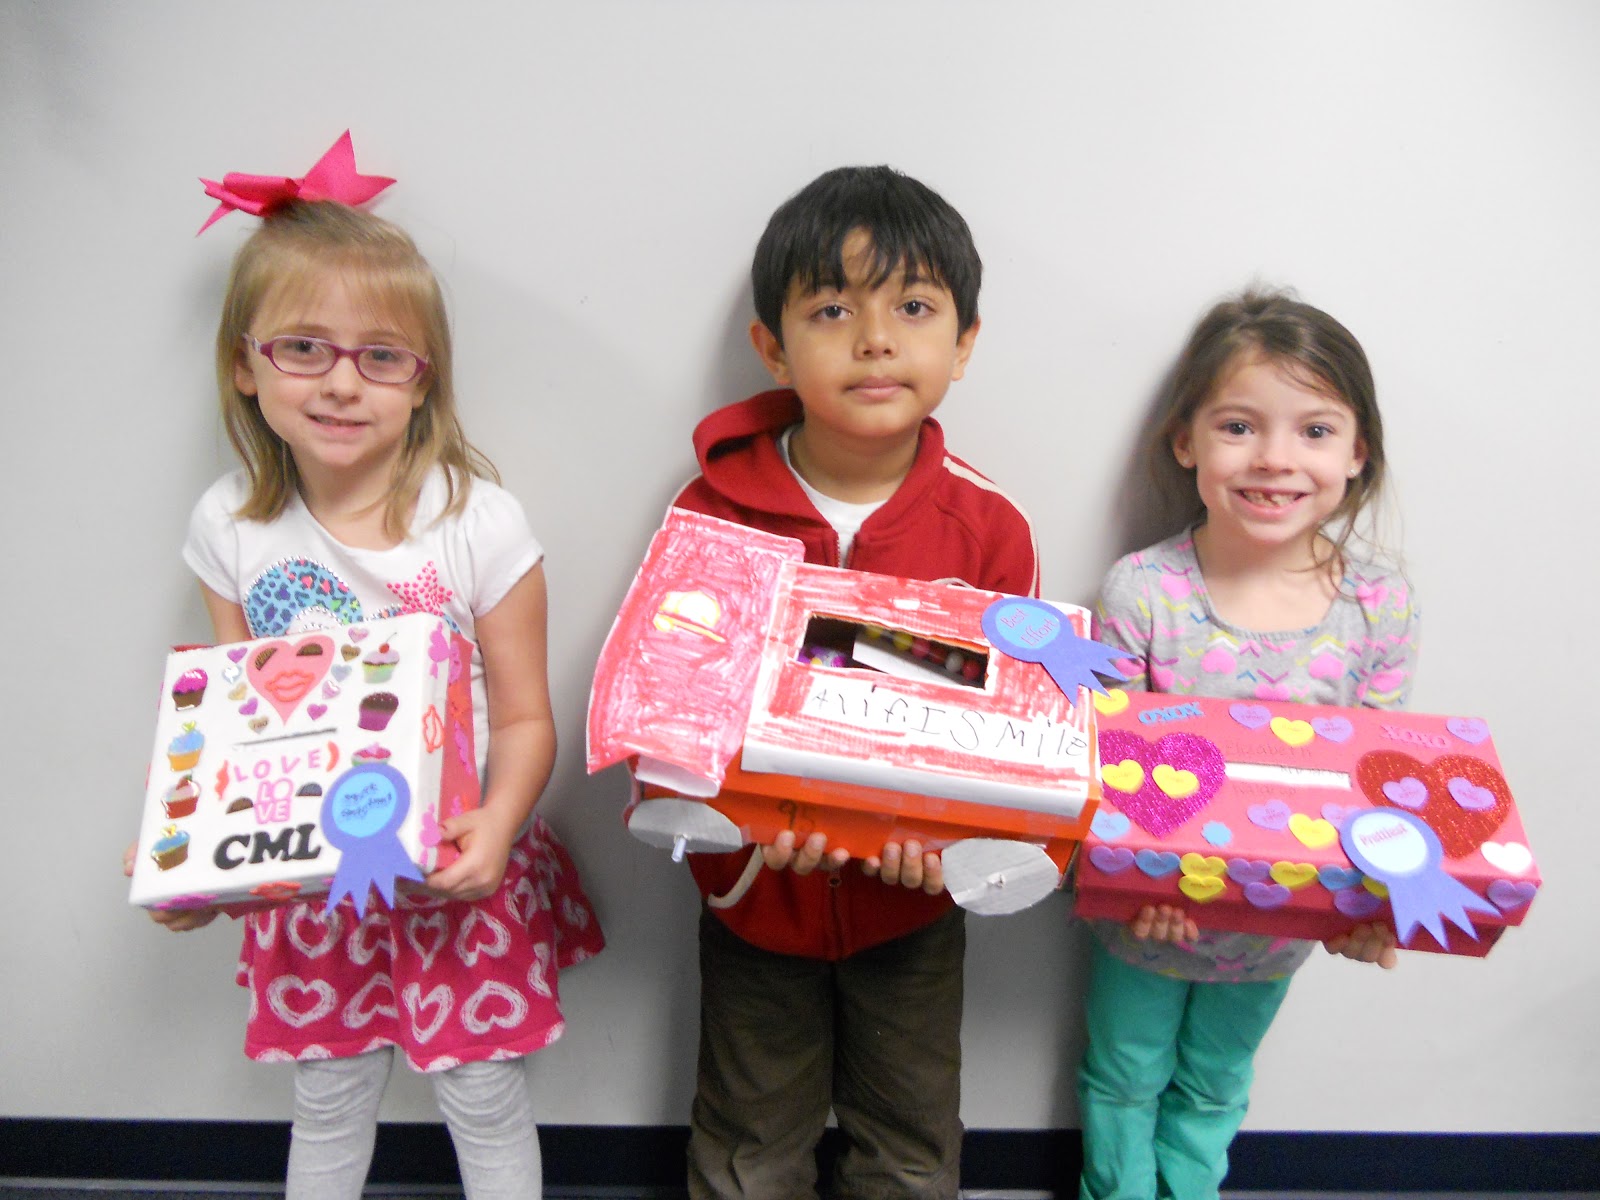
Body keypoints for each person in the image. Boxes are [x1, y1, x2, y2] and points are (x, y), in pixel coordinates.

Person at [131, 136, 603, 1200]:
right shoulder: (229, 528)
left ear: (421, 380)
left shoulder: (475, 523)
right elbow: (230, 726)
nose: (343, 383)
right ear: (246, 367)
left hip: (452, 865)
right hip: (309, 884)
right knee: (329, 1096)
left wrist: (500, 823)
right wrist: (195, 863)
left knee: (484, 1093)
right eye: (304, 348)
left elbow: (526, 718)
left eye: (381, 356)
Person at [672, 165, 1039, 1200]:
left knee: (911, 1151)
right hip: (754, 891)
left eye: (913, 308)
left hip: (913, 906)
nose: (875, 339)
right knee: (748, 1151)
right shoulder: (715, 511)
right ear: (772, 347)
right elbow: (678, 696)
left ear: (963, 342)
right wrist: (729, 824)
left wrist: (960, 846)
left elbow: (1004, 724)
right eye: (832, 310)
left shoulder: (988, 528)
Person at [1077, 289, 1419, 1200]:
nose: (1274, 458)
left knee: (1217, 1085)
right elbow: (1103, 764)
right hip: (1144, 927)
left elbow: (1376, 785)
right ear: (1185, 441)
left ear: (1357, 455)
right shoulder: (1144, 591)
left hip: (1277, 935)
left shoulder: (1379, 606)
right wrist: (1135, 884)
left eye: (1314, 431)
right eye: (1238, 425)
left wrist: (1374, 908)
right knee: (1123, 1078)